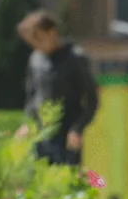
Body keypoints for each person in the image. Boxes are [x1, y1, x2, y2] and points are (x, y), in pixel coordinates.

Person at [18, 10, 100, 165]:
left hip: (66, 136)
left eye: (40, 38)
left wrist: (77, 128)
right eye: (32, 41)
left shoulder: (75, 57)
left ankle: (96, 183)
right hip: (40, 135)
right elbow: (32, 97)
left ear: (52, 32)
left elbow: (92, 99)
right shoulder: (35, 60)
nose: (37, 44)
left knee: (65, 183)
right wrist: (27, 124)